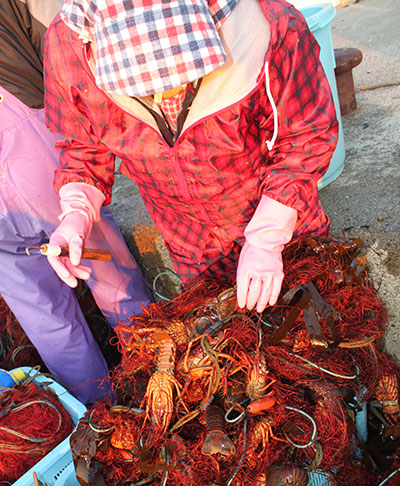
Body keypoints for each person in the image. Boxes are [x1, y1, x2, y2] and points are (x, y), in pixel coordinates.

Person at [43, 0, 338, 314]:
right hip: (189, 243)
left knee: (314, 320)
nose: (165, 92)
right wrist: (76, 213)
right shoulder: (68, 47)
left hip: (282, 224)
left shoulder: (272, 28)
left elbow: (305, 136)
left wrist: (268, 235)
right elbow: (83, 144)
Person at [0, 0, 152, 404]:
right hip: (38, 160)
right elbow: (65, 30)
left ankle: (125, 398)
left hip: (32, 168)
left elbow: (64, 27)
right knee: (100, 280)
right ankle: (138, 391)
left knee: (56, 308)